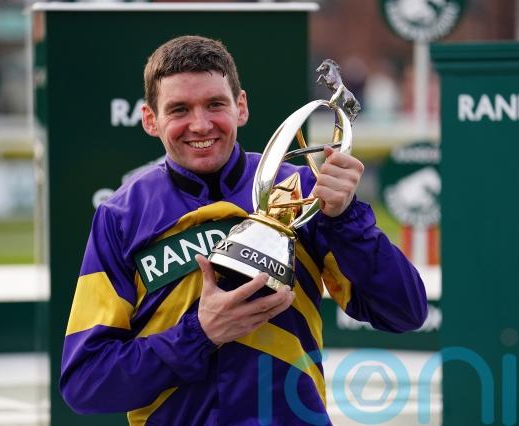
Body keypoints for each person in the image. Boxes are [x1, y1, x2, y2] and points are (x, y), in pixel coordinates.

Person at [60, 35, 427, 425]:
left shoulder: (304, 192)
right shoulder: (122, 216)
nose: (200, 124)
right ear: (151, 119)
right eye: (179, 109)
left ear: (241, 106)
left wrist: (346, 217)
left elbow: (405, 312)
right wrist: (199, 333)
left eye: (215, 104)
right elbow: (86, 382)